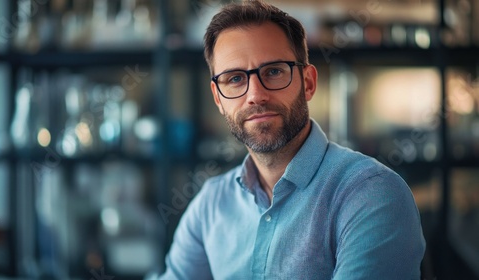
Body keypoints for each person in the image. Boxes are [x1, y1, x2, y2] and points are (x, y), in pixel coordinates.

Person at [158, 1, 426, 279]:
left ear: (308, 82)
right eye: (235, 79)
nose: (255, 95)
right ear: (218, 98)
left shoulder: (372, 194)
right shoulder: (210, 205)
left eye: (273, 71)